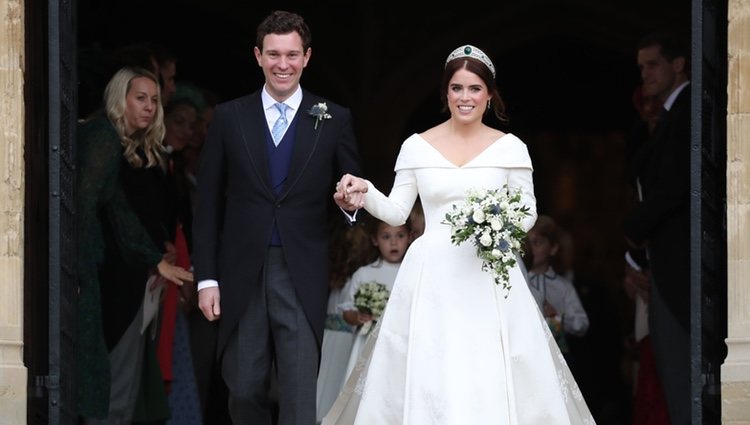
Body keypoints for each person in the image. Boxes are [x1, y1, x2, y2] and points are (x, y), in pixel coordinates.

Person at [327, 44, 595, 424]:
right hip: (430, 275)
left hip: (488, 272)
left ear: (489, 94)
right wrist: (363, 192)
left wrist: (496, 221)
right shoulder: (416, 146)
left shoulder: (512, 148)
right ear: (445, 93)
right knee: (431, 365)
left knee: (488, 365)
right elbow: (398, 212)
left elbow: (528, 211)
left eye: (474, 88)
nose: (464, 97)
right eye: (456, 88)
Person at [191, 10, 363, 425]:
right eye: (273, 54)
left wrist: (349, 200)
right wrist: (207, 278)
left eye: (291, 55)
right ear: (257, 56)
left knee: (300, 391)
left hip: (301, 268)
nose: (282, 64)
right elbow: (208, 202)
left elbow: (350, 190)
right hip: (241, 270)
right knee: (245, 387)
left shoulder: (333, 117)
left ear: (306, 57)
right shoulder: (230, 118)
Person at [76, 66, 193, 423]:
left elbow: (119, 210)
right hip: (94, 274)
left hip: (110, 274)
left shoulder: (126, 146)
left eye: (155, 101)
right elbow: (88, 208)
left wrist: (154, 257)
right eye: (140, 98)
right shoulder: (102, 138)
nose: (149, 107)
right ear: (119, 99)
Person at [623, 31, 690, 425]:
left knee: (681, 367)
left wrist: (632, 231)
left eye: (652, 65)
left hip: (681, 261)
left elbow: (674, 185)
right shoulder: (669, 115)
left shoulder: (687, 112)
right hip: (663, 258)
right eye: (641, 67)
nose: (644, 74)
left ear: (678, 64)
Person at [339, 218, 411, 380]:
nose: (393, 242)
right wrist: (358, 317)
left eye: (400, 236)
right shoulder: (364, 274)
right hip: (368, 343)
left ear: (410, 237)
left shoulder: (413, 274)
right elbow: (346, 311)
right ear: (375, 240)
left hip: (402, 343)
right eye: (386, 237)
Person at [523, 215, 590, 362]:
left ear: (553, 248)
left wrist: (559, 318)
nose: (532, 248)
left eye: (537, 242)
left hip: (557, 357)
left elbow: (582, 324)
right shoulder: (520, 283)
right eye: (528, 243)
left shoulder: (563, 286)